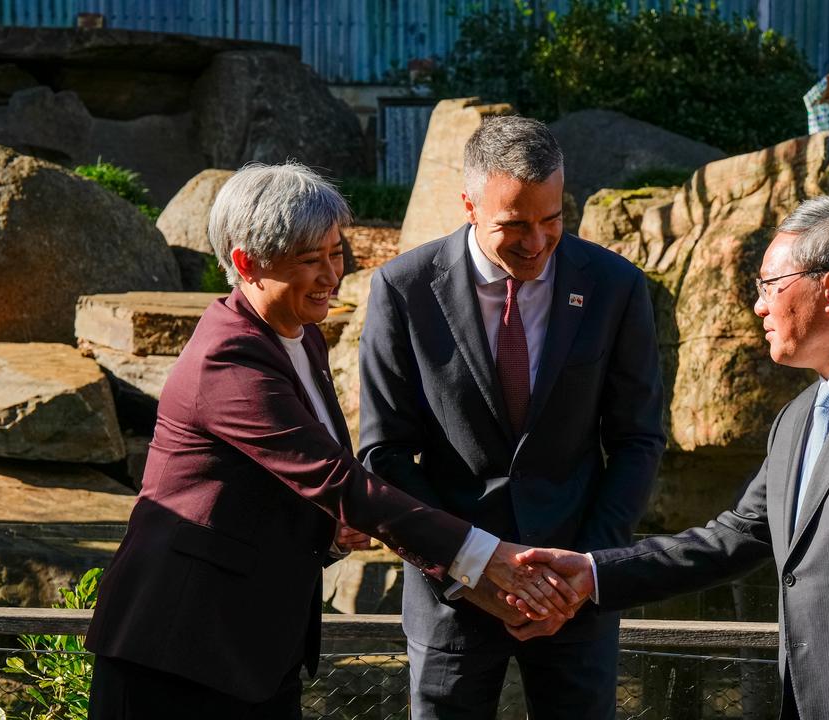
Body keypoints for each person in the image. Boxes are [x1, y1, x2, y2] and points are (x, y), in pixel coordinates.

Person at [84, 162, 575, 720]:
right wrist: (488, 557)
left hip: (255, 651)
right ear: (247, 263)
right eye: (309, 260)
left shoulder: (302, 336)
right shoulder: (230, 355)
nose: (330, 275)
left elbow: (306, 488)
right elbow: (337, 479)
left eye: (336, 253)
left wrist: (335, 531)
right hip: (176, 653)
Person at [516, 197, 829, 719]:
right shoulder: (796, 419)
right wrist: (592, 572)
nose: (758, 306)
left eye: (769, 286)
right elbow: (733, 538)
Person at [357, 116, 665, 719]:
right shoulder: (404, 288)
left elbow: (637, 439)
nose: (536, 242)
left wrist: (583, 574)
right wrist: (471, 568)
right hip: (452, 596)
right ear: (469, 204)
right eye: (514, 225)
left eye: (551, 220)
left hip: (572, 590)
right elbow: (383, 454)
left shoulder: (615, 287)